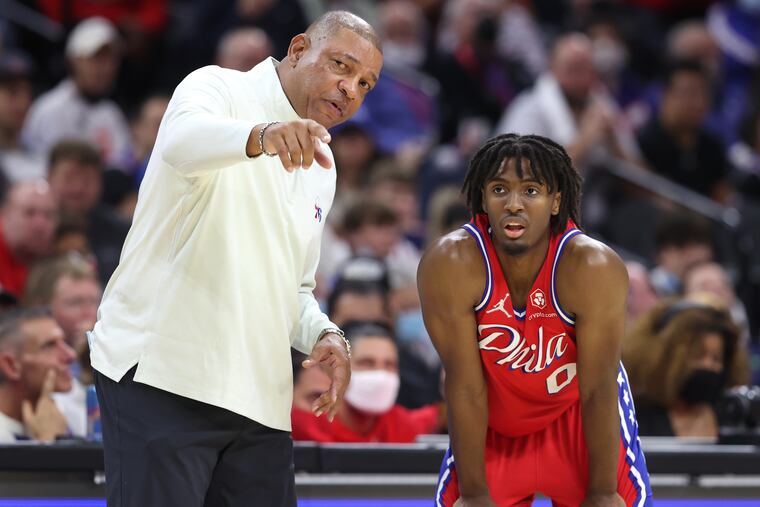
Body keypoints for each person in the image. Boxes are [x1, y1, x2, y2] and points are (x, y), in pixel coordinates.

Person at [88, 10, 382, 507]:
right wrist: (261, 135)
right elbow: (180, 144)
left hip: (259, 402)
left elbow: (294, 287)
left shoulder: (323, 165)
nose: (350, 88)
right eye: (340, 65)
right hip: (165, 377)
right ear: (297, 49)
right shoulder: (217, 87)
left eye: (365, 83)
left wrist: (324, 333)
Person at [418, 133, 652, 507]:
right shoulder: (452, 262)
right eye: (499, 189)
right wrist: (475, 494)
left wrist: (603, 491)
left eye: (530, 191)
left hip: (578, 421)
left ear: (556, 200)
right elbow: (464, 387)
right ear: (481, 197)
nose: (514, 204)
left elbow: (598, 391)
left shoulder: (591, 265)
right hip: (494, 426)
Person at [291, 321, 444, 443]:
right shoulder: (305, 425)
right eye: (367, 363)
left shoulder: (397, 423)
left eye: (389, 365)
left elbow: (439, 415)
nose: (380, 373)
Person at [623, 299, 749, 438]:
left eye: (716, 359)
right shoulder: (634, 417)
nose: (708, 366)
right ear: (667, 357)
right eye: (698, 355)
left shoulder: (733, 417)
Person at [0, 307, 75, 443]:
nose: (70, 355)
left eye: (64, 343)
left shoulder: (61, 414)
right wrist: (49, 442)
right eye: (49, 345)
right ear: (11, 365)